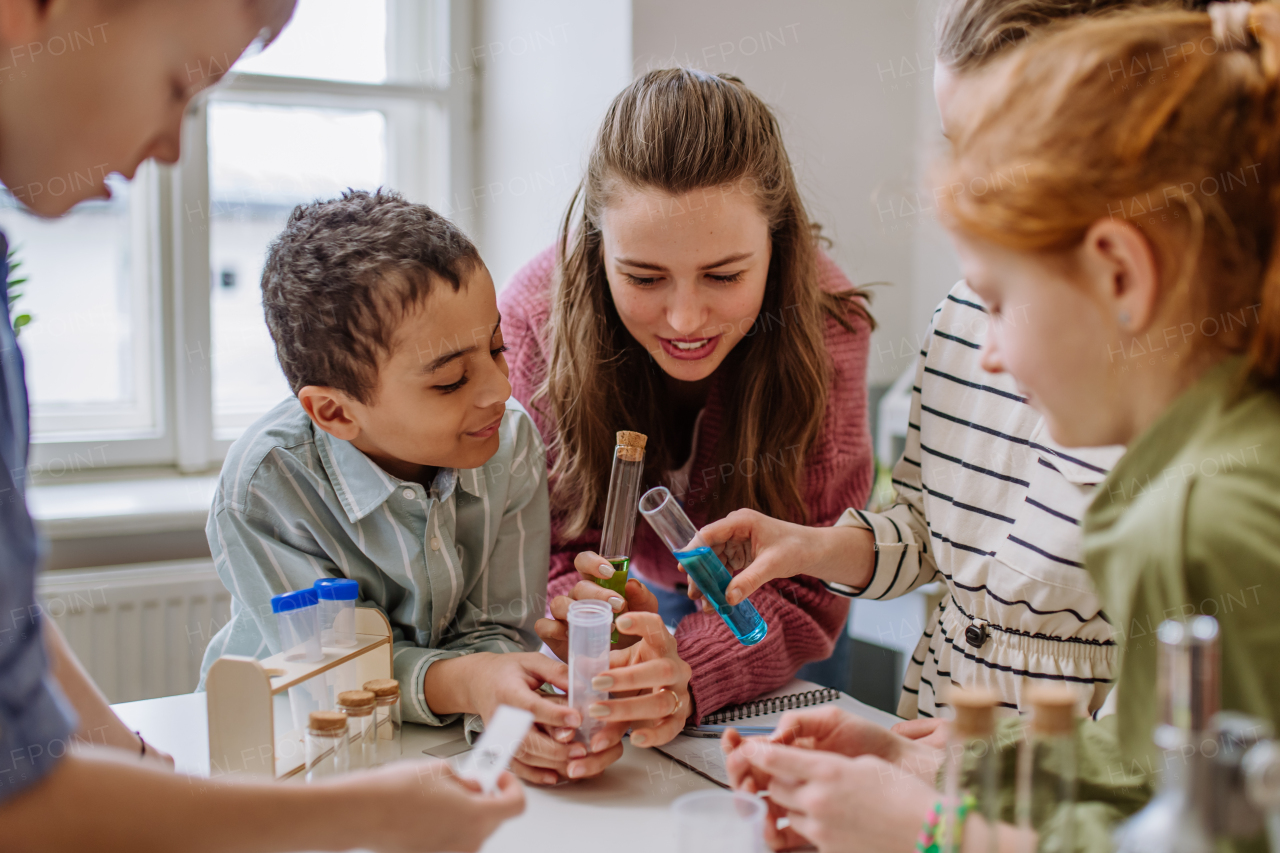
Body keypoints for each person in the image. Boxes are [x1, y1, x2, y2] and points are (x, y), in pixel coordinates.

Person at [724, 3, 1280, 851]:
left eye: (1000, 303)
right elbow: (1155, 771)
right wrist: (941, 762)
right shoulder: (1204, 469)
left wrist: (933, 829)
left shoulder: (1201, 519)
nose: (983, 351)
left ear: (1119, 271)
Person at [0, 2, 522, 850]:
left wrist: (130, 756)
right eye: (177, 85)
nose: (169, 147)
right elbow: (19, 799)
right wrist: (382, 811)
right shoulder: (269, 480)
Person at [498, 68, 875, 750]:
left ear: (778, 243)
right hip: (629, 589)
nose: (684, 317)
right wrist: (594, 628)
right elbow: (545, 548)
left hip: (773, 611)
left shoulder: (826, 324)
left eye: (725, 275)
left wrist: (692, 671)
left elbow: (813, 580)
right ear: (596, 247)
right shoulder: (532, 319)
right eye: (642, 277)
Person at [197, 188, 618, 785]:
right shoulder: (265, 487)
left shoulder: (507, 439)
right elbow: (331, 674)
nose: (499, 388)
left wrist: (516, 713)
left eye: (497, 347)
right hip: (295, 751)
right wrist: (471, 685)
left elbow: (497, 628)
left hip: (436, 743)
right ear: (336, 412)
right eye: (450, 381)